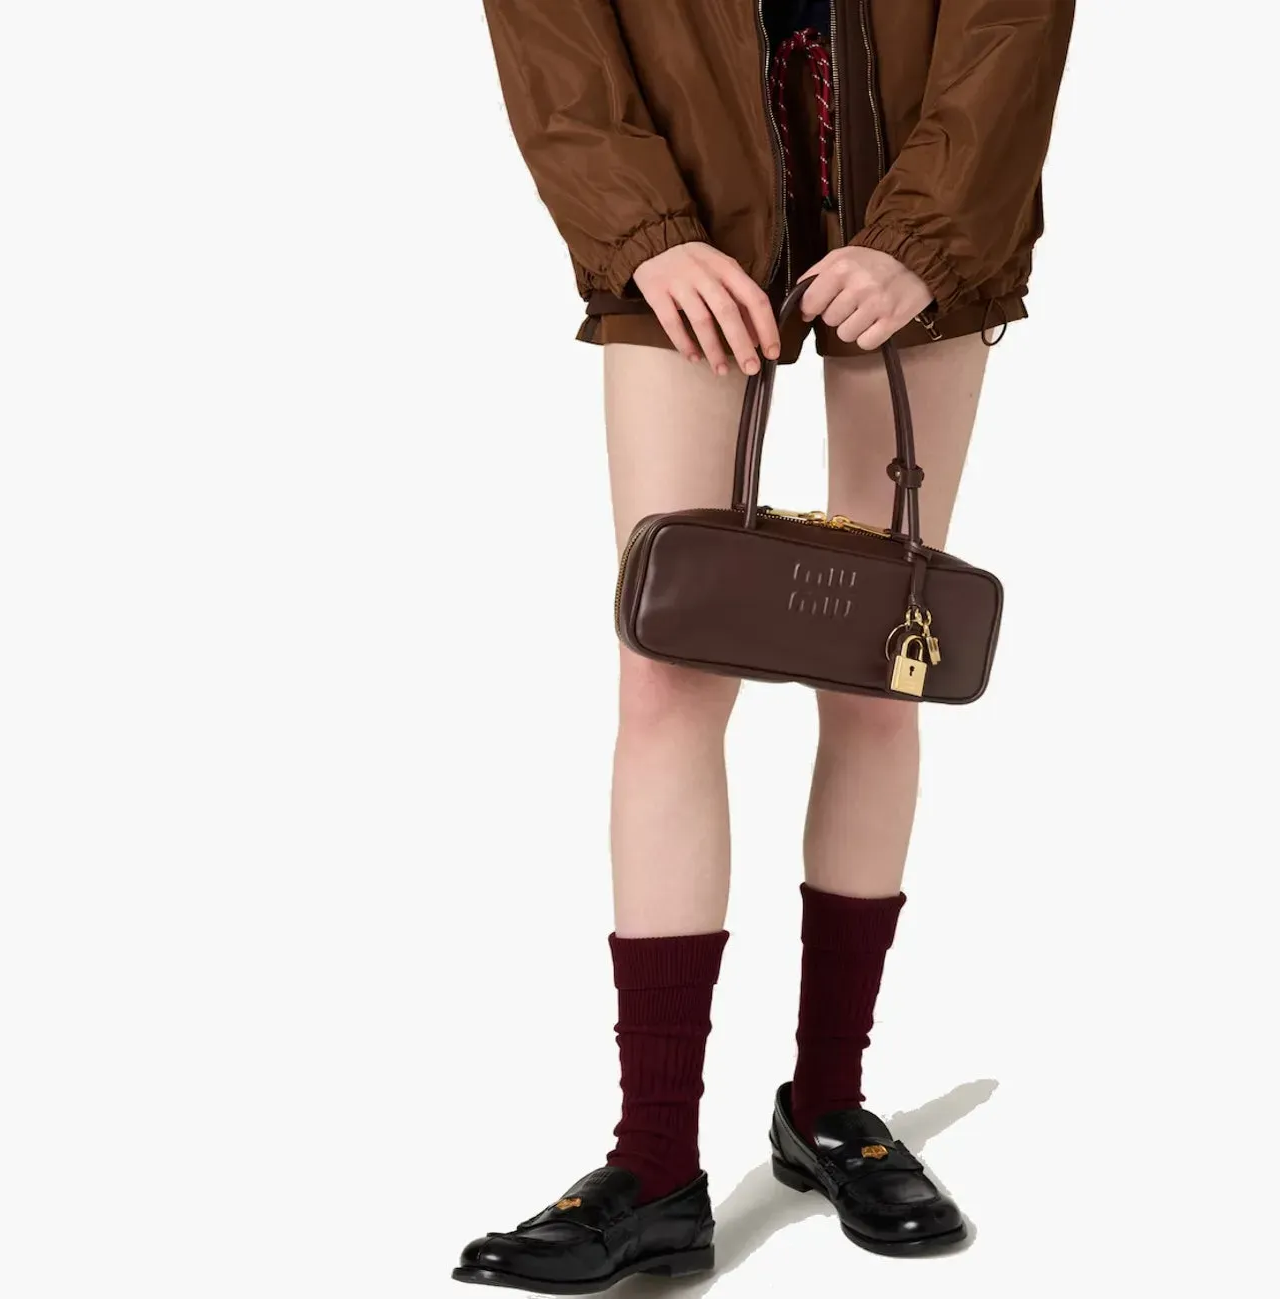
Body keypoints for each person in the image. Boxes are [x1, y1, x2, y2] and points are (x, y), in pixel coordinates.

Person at [454, 1, 1073, 1291]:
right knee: (665, 680)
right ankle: (654, 1163)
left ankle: (830, 1105)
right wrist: (645, 234)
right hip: (681, 201)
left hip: (916, 193)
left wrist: (923, 238)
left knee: (882, 673)